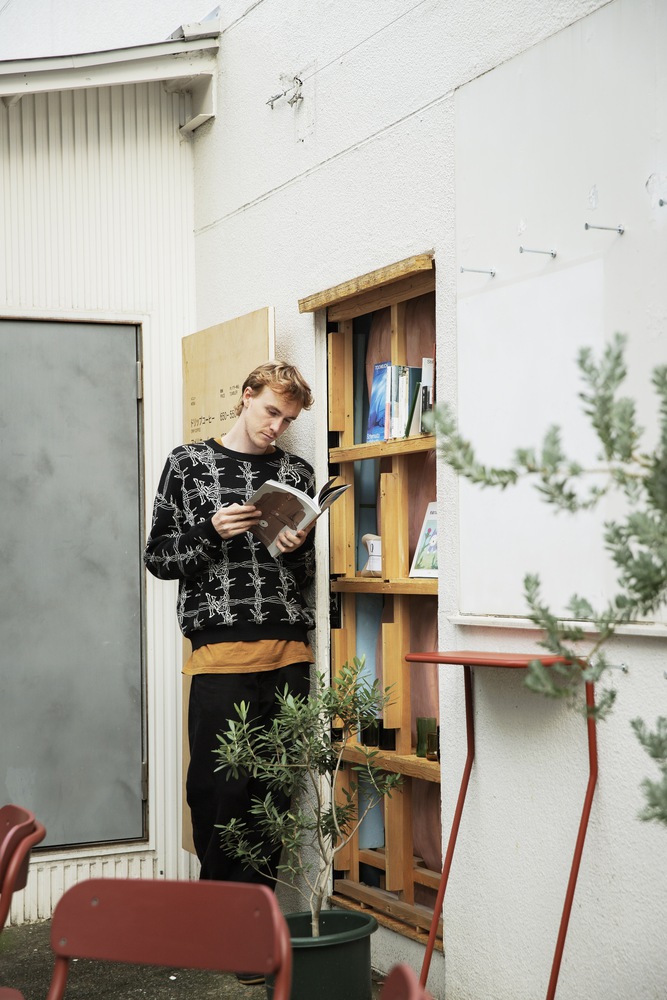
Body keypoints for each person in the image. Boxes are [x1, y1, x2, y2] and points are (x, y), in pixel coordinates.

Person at [144, 361, 316, 903]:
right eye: (271, 411)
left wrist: (296, 548)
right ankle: (220, 916)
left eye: (287, 420)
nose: (276, 427)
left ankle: (255, 919)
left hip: (289, 652)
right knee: (218, 791)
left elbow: (303, 576)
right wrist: (210, 531)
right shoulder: (188, 463)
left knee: (274, 793)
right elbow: (158, 558)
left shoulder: (297, 474)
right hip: (220, 652)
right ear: (246, 396)